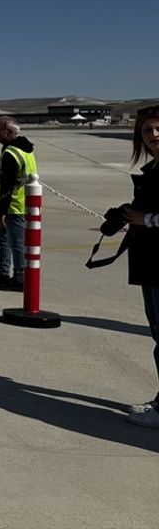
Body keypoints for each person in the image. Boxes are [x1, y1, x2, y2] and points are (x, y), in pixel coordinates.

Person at [122, 106, 159, 428]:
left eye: (158, 129)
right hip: (152, 262)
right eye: (147, 131)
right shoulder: (154, 170)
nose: (153, 136)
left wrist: (146, 219)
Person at [0, 116, 37, 290]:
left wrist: (1, 212)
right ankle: (3, 272)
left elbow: (7, 183)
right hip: (22, 202)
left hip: (15, 205)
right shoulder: (24, 149)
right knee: (3, 238)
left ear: (7, 131)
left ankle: (20, 277)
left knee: (16, 243)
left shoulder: (11, 153)